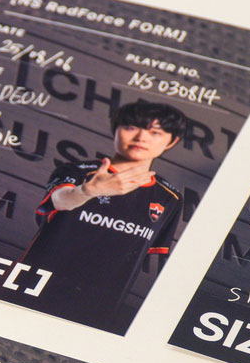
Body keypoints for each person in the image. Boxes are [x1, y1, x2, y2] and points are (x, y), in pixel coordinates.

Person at [16, 100, 185, 331]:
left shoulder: (170, 198)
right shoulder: (77, 172)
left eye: (155, 132)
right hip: (32, 288)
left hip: (99, 309)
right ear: (115, 129)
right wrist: (88, 191)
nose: (141, 138)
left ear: (172, 141)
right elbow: (60, 200)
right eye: (131, 127)